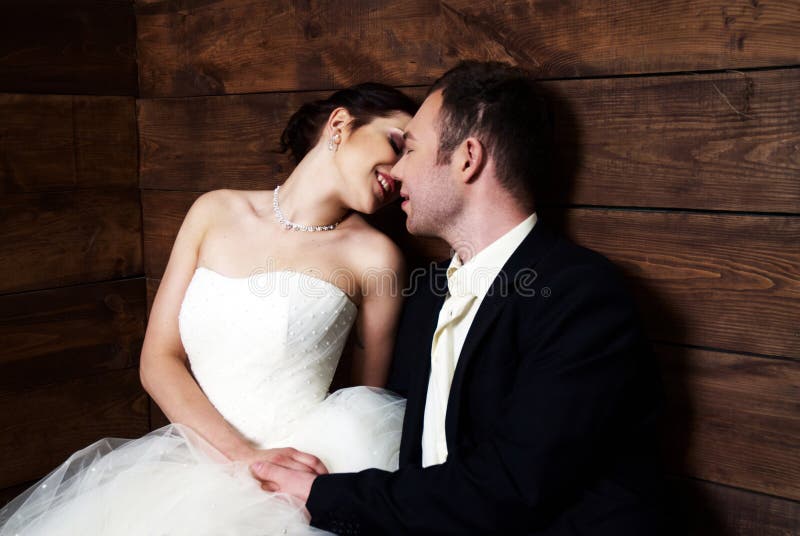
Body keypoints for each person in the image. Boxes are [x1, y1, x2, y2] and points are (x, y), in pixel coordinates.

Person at [251, 61, 664, 535]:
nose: (397, 170)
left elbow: (510, 489)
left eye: (410, 149)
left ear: (468, 159)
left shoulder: (582, 298)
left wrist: (317, 495)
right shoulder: (425, 297)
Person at [0, 83, 418, 535]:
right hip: (191, 463)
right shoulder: (214, 212)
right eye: (398, 144)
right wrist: (242, 457)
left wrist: (279, 473)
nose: (403, 171)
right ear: (340, 124)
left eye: (414, 158)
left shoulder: (376, 257)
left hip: (301, 465)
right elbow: (158, 359)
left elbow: (365, 401)